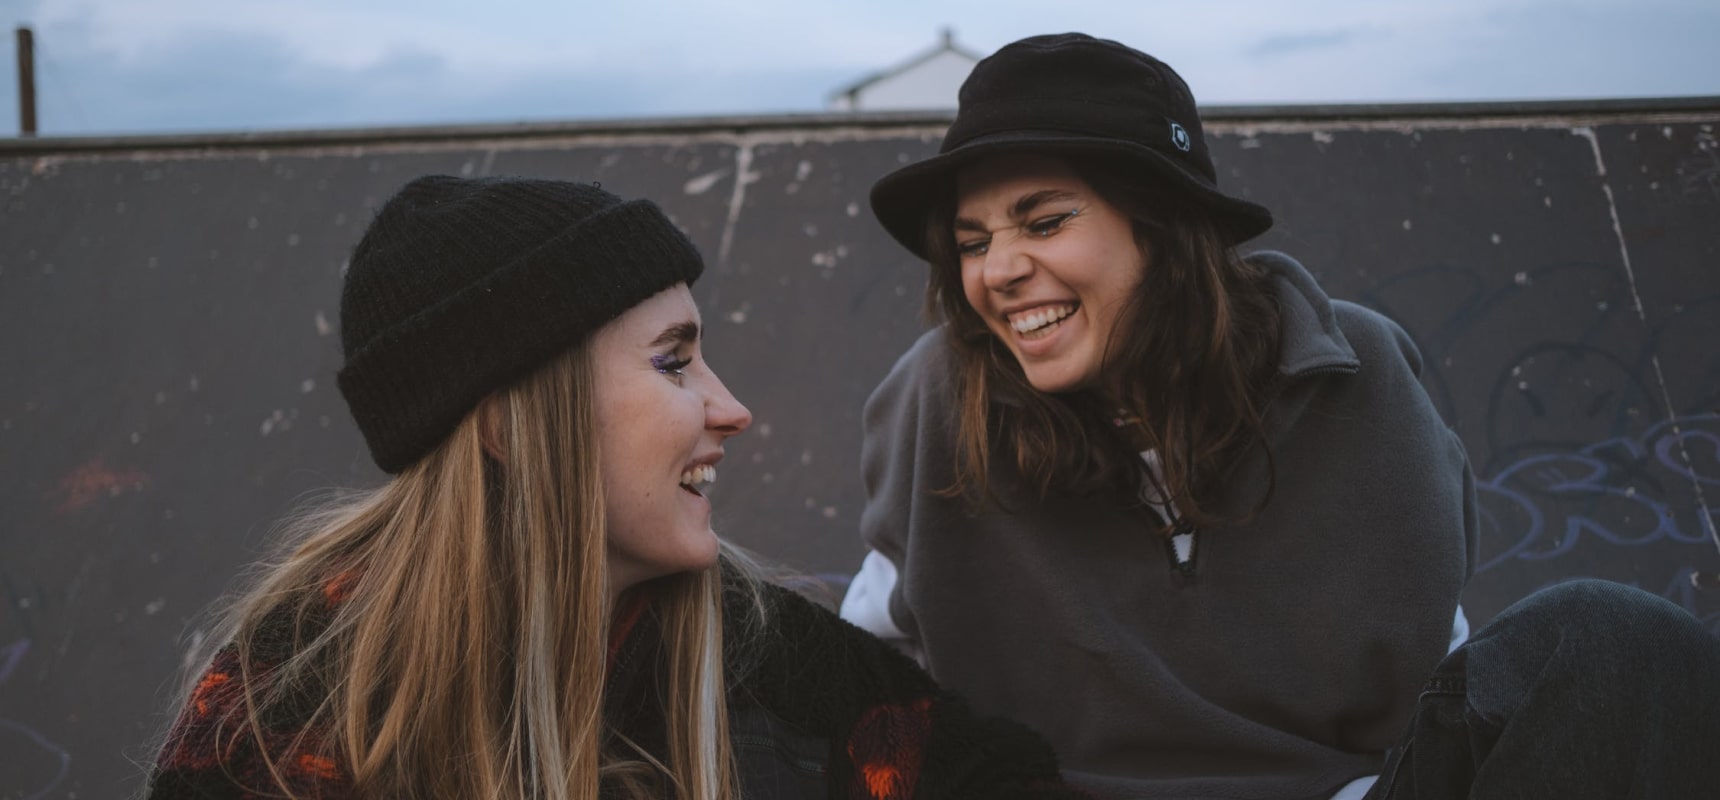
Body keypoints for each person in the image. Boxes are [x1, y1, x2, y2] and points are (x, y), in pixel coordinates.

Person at [842, 32, 1720, 799]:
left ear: (1162, 222)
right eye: (972, 242)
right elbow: (868, 668)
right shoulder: (941, 396)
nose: (997, 270)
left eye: (1044, 222)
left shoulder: (1351, 374)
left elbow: (1432, 659)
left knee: (1612, 635)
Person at [146, 175, 1087, 800]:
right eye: (674, 362)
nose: (733, 410)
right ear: (510, 425)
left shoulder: (775, 664)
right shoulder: (288, 713)